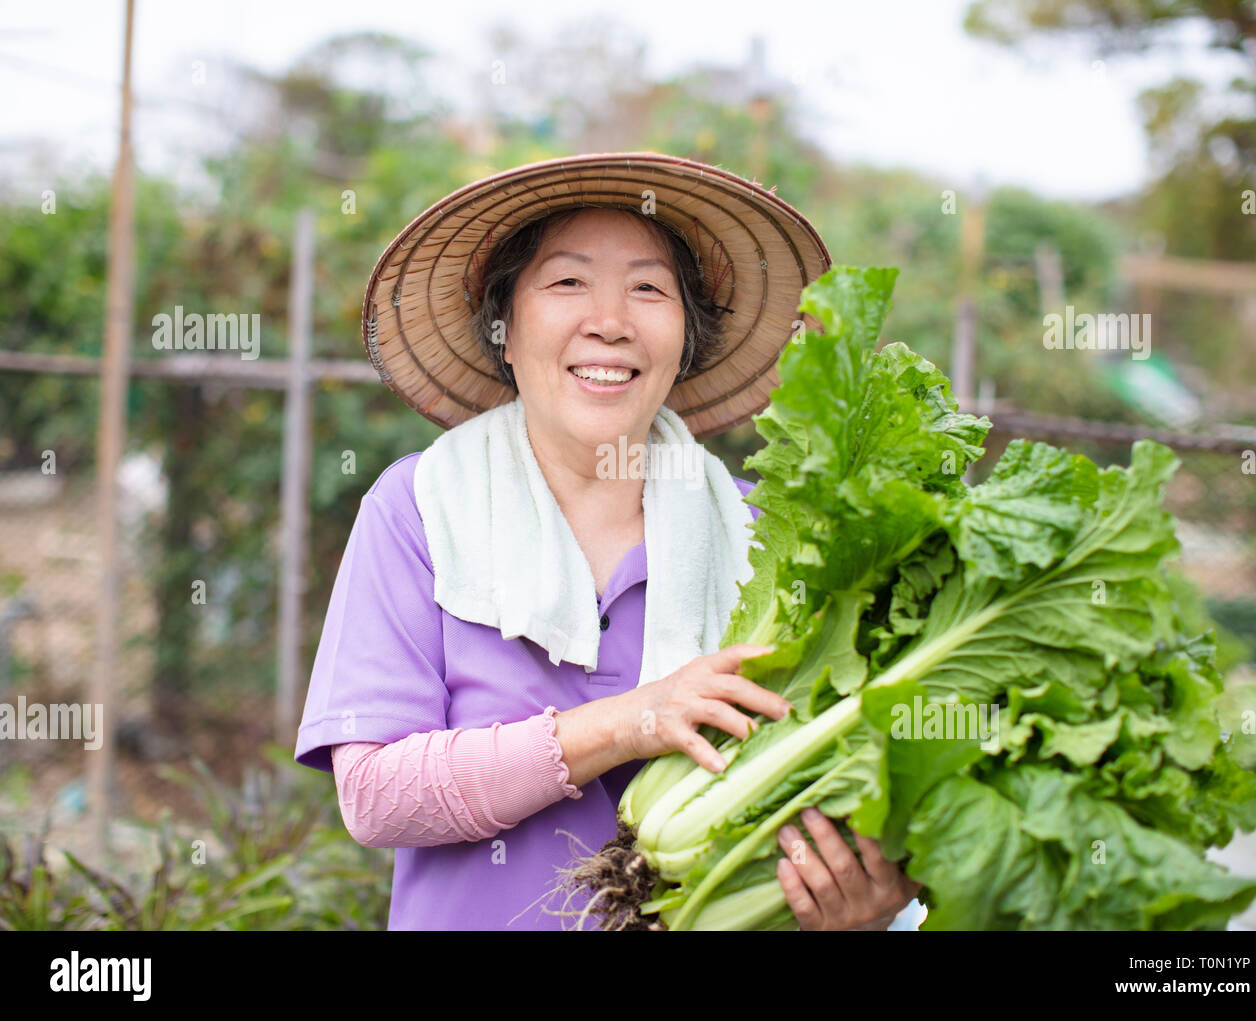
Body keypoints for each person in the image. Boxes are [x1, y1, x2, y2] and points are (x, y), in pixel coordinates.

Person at [294, 152, 923, 930]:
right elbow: (377, 797)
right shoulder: (421, 509)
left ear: (687, 339)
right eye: (567, 282)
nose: (611, 321)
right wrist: (630, 721)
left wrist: (860, 913)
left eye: (649, 289)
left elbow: (842, 795)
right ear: (506, 329)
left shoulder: (777, 541)